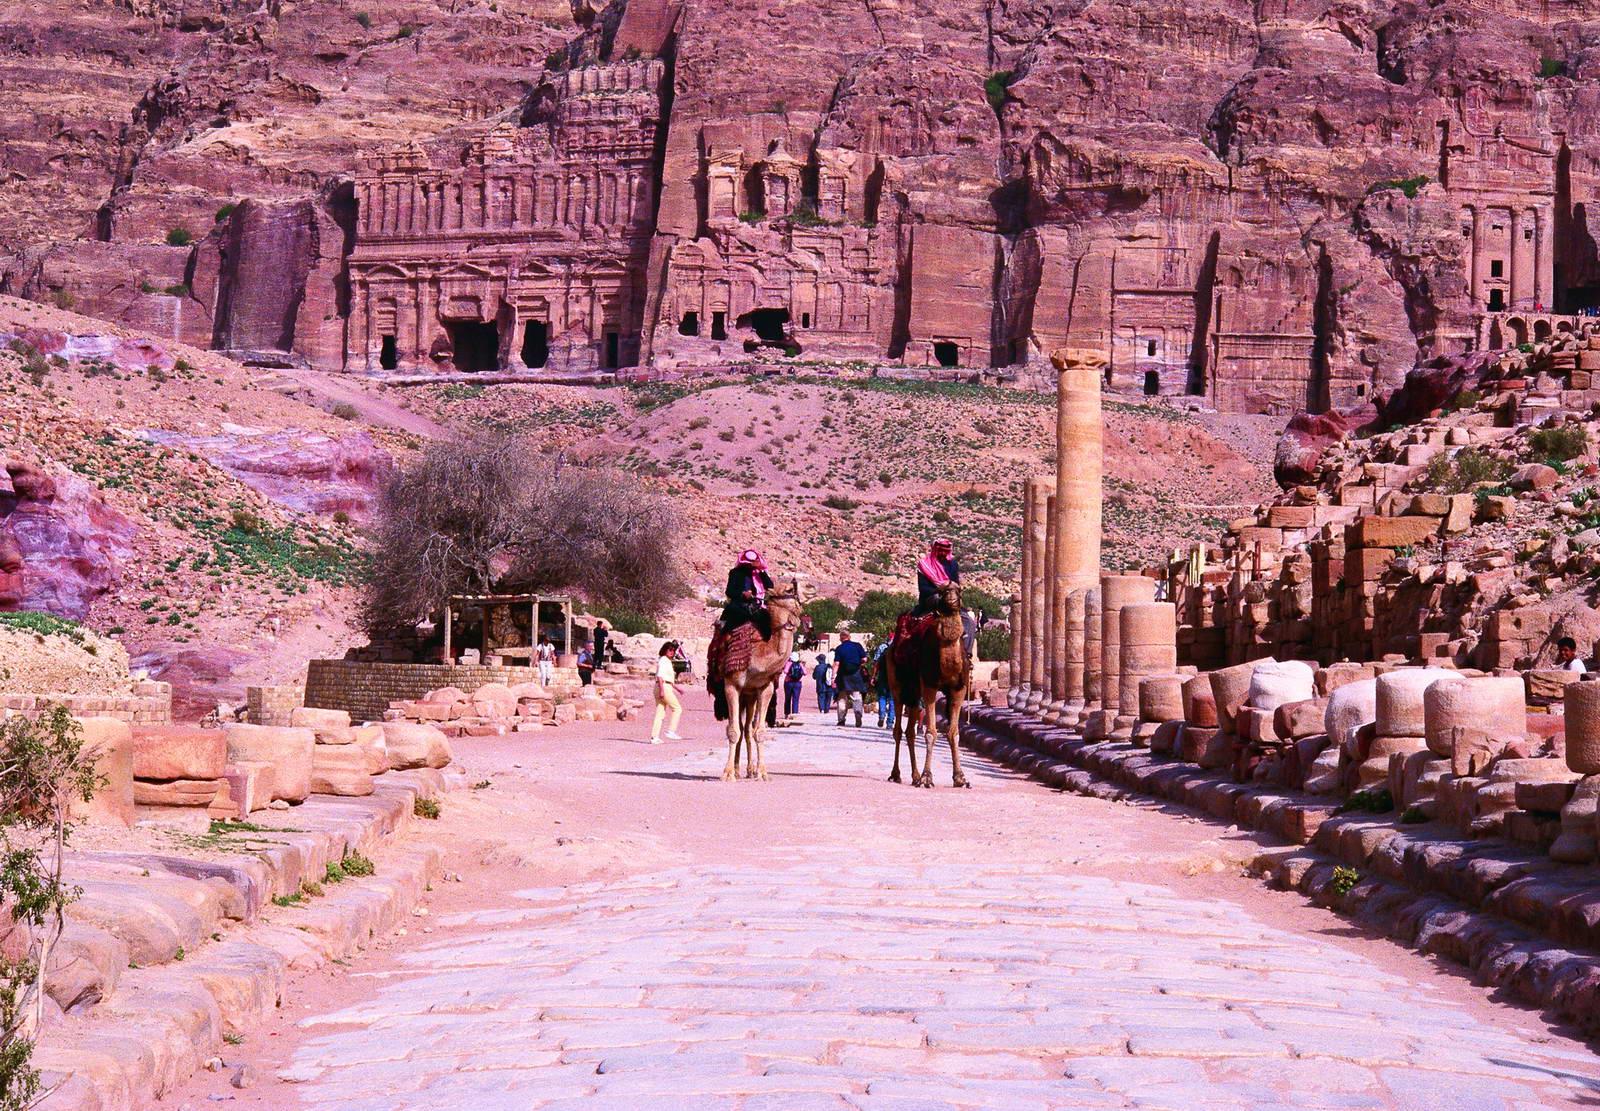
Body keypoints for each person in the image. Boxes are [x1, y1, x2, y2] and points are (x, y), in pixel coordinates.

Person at [721, 549, 775, 638]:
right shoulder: (735, 573)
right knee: (729, 628)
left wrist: (761, 571)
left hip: (757, 606)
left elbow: (770, 586)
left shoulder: (759, 573)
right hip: (739, 604)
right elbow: (729, 592)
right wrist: (742, 594)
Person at [913, 537, 961, 615]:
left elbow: (956, 583)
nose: (943, 553)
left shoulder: (953, 565)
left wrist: (952, 588)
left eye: (945, 551)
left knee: (966, 617)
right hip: (931, 597)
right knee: (937, 599)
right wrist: (940, 590)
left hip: (951, 597)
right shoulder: (924, 565)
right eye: (940, 550)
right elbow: (923, 588)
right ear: (935, 550)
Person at [649, 641, 683, 743]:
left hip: (662, 686)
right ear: (665, 650)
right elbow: (660, 676)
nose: (672, 652)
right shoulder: (664, 660)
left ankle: (654, 737)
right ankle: (671, 731)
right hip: (663, 686)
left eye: (673, 650)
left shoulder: (665, 661)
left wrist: (677, 688)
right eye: (670, 650)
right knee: (677, 708)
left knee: (660, 713)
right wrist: (662, 690)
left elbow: (668, 679)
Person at [833, 630, 868, 727]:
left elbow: (837, 663)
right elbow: (865, 659)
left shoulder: (839, 648)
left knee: (842, 699)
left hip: (843, 676)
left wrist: (833, 677)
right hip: (856, 675)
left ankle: (841, 720)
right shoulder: (857, 646)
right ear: (849, 637)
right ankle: (858, 715)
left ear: (841, 638)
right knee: (856, 697)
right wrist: (858, 663)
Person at [872, 637, 896, 729]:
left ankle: (881, 716)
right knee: (892, 700)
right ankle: (890, 723)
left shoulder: (882, 647)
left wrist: (873, 676)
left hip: (883, 676)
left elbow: (876, 663)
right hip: (895, 677)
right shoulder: (899, 648)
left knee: (882, 697)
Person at [783, 651, 805, 720]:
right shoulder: (800, 664)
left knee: (787, 699)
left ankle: (787, 714)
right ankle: (794, 714)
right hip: (798, 683)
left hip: (788, 682)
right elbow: (805, 672)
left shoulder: (788, 663)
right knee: (796, 699)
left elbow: (785, 671)